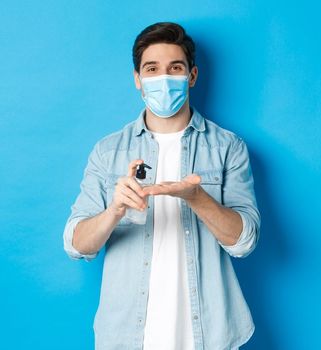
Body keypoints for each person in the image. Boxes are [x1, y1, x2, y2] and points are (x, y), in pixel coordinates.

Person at [62, 22, 260, 349]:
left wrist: (197, 198)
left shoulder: (228, 147)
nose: (163, 78)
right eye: (152, 69)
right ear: (138, 80)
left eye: (175, 68)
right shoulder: (107, 151)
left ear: (192, 76)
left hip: (209, 334)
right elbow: (76, 244)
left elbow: (244, 242)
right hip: (126, 335)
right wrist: (114, 210)